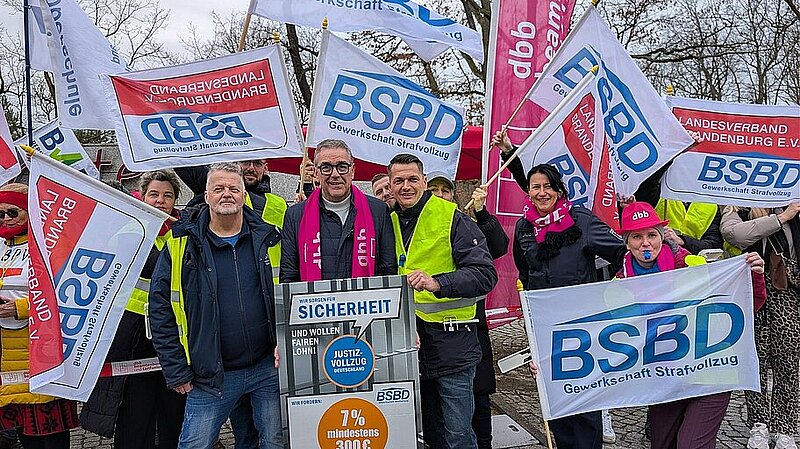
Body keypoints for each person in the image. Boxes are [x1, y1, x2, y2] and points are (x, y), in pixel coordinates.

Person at [148, 163, 282, 449]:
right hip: (210, 375)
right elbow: (160, 309)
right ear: (206, 195)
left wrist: (284, 342)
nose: (226, 194)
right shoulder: (180, 244)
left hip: (267, 369)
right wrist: (176, 369)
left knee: (273, 441)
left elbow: (289, 293)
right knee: (194, 444)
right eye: (218, 188)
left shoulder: (269, 238)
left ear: (244, 195)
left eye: (234, 188)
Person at [616, 201, 766, 449]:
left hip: (710, 372)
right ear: (627, 242)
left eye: (652, 235)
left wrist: (754, 276)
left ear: (662, 236)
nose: (646, 243)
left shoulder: (691, 265)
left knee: (691, 444)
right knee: (662, 444)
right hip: (666, 379)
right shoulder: (618, 284)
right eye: (637, 237)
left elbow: (748, 304)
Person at [513, 164, 627, 449]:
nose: (542, 193)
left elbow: (619, 253)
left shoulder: (580, 220)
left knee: (584, 394)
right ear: (529, 192)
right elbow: (524, 269)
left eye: (548, 186)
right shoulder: (523, 227)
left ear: (559, 189)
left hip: (581, 324)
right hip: (546, 325)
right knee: (555, 394)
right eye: (536, 187)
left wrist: (602, 290)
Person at [389, 154, 498, 449]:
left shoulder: (452, 217)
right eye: (399, 180)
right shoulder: (388, 220)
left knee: (459, 436)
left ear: (424, 181)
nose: (406, 186)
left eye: (412, 179)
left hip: (452, 346)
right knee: (428, 435)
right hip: (408, 347)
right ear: (391, 185)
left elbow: (485, 275)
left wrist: (439, 283)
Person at [81, 171, 185, 449]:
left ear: (175, 200)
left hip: (172, 332)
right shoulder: (131, 229)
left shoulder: (179, 230)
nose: (160, 201)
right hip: (135, 335)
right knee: (136, 414)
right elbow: (155, 264)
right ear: (142, 197)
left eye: (167, 196)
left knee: (172, 412)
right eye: (154, 194)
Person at [426, 172, 508, 449]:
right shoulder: (419, 229)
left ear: (453, 195)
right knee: (441, 414)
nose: (439, 195)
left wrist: (482, 214)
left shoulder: (465, 223)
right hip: (436, 336)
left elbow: (499, 246)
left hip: (471, 328)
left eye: (444, 190)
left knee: (478, 400)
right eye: (433, 190)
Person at [0, 183, 79, 449]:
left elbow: (65, 296)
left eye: (13, 212)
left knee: (50, 432)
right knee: (24, 430)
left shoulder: (50, 245)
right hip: (8, 358)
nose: (6, 219)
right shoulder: (1, 246)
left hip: (42, 353)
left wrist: (21, 308)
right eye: (0, 213)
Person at [720, 202, 800, 449]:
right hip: (750, 292)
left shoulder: (794, 205)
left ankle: (785, 428)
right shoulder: (738, 206)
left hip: (787, 293)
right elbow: (734, 234)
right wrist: (781, 218)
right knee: (755, 362)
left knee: (789, 363)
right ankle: (759, 424)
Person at [280, 139, 397, 282]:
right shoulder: (295, 215)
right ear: (316, 172)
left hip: (366, 297)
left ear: (352, 171)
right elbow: (289, 276)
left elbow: (388, 271)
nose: (335, 174)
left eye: (342, 166)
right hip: (315, 297)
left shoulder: (378, 211)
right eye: (326, 167)